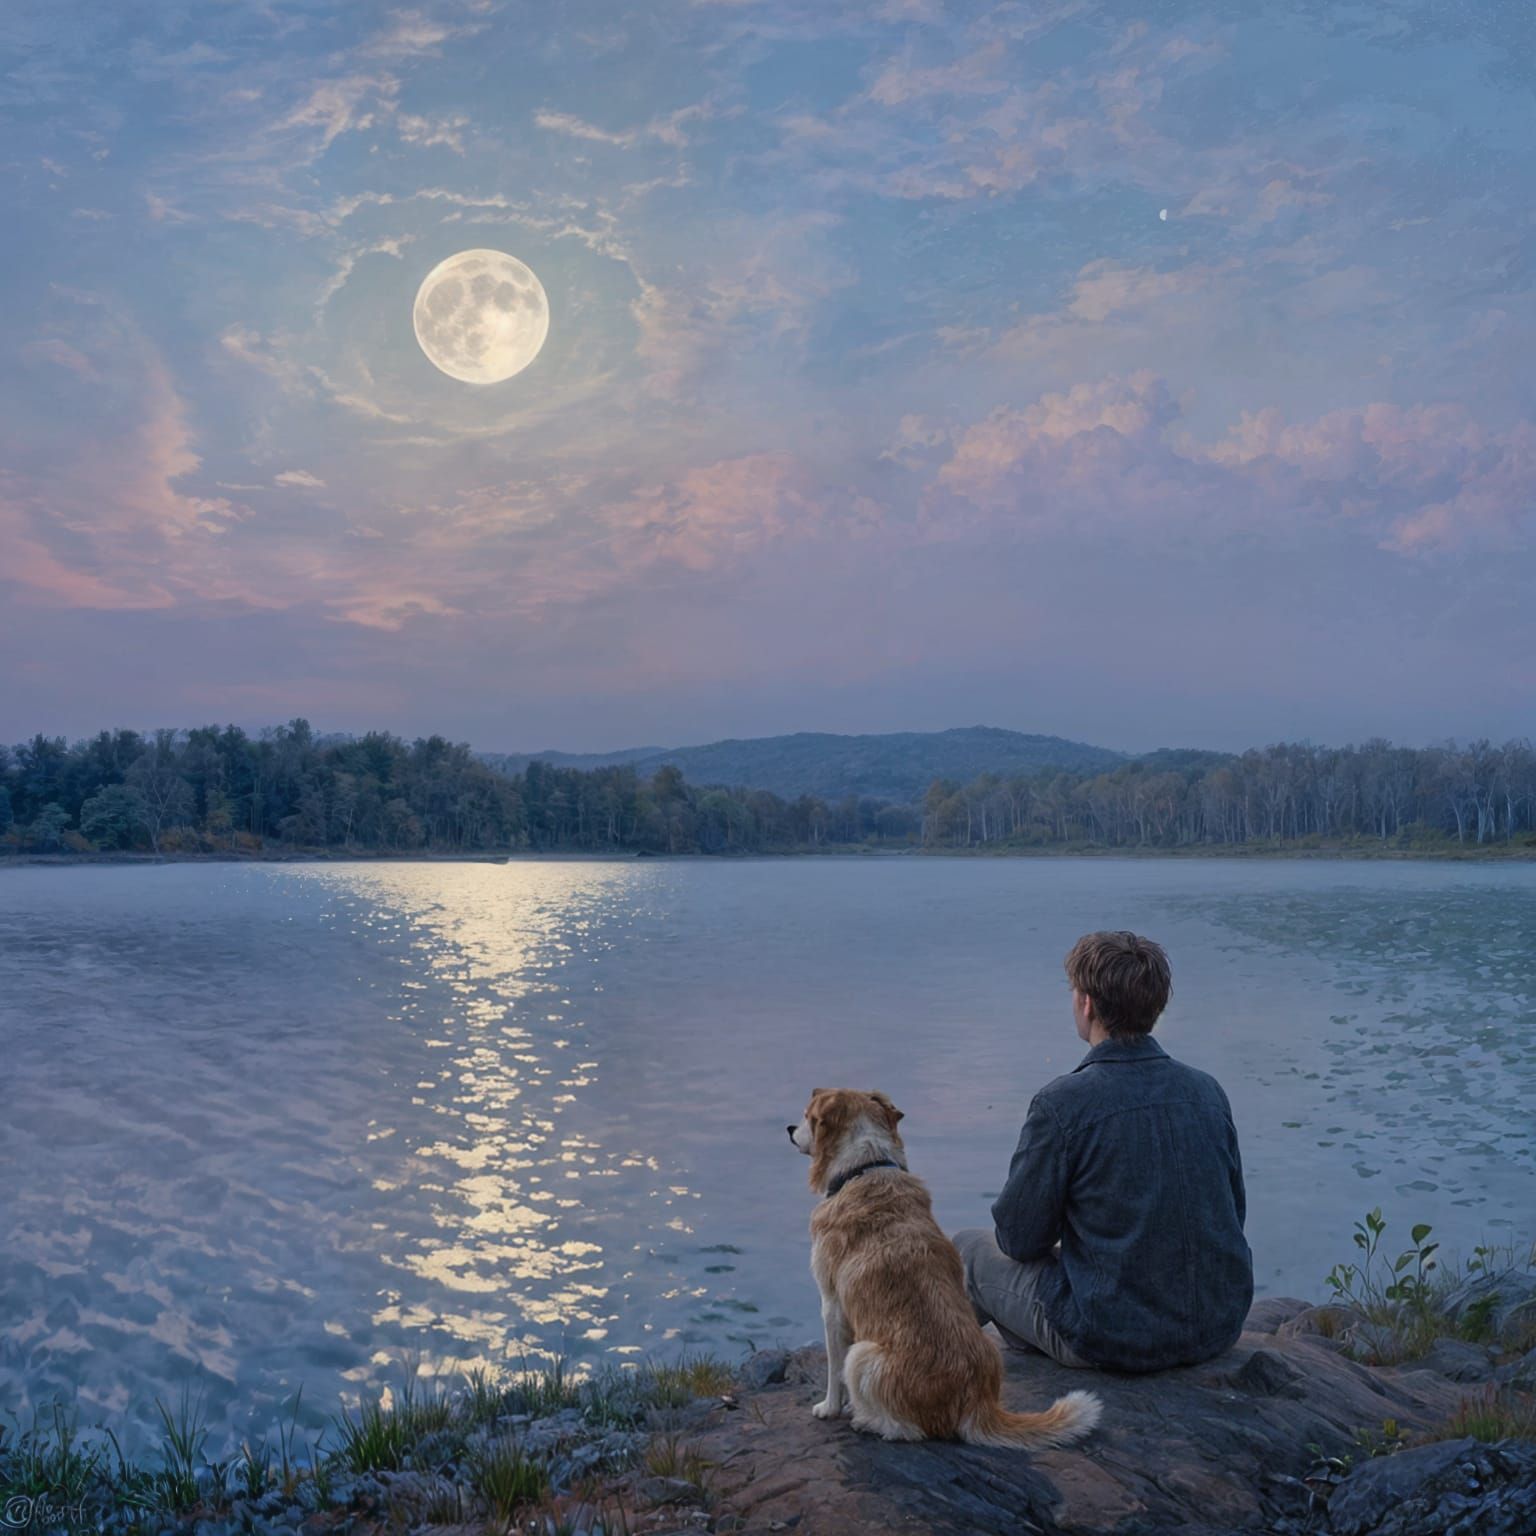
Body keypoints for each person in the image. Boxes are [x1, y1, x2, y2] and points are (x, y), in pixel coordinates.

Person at [952, 931, 1253, 1373]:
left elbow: (1017, 1239)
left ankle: (921, 1375)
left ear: (1087, 1003)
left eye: (1074, 991)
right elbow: (1231, 1215)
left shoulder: (1062, 1104)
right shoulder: (1208, 1093)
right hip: (1217, 1328)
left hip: (1112, 1339)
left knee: (967, 1250)